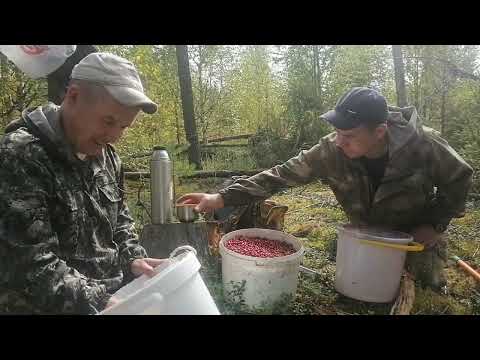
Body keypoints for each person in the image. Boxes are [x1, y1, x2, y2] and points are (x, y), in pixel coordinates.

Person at [178, 87, 474, 291]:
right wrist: (220, 197)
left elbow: (460, 177)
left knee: (426, 283)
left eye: (349, 135)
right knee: (356, 288)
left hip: (413, 238)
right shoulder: (331, 150)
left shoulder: (424, 144)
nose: (338, 142)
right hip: (364, 236)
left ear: (379, 132)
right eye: (336, 132)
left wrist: (434, 224)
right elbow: (281, 175)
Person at [0, 52, 167, 314]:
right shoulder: (20, 156)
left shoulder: (107, 156)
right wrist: (101, 301)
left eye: (123, 127)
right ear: (73, 96)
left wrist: (132, 257)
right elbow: (29, 263)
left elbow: (119, 219)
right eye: (108, 121)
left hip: (111, 299)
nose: (113, 137)